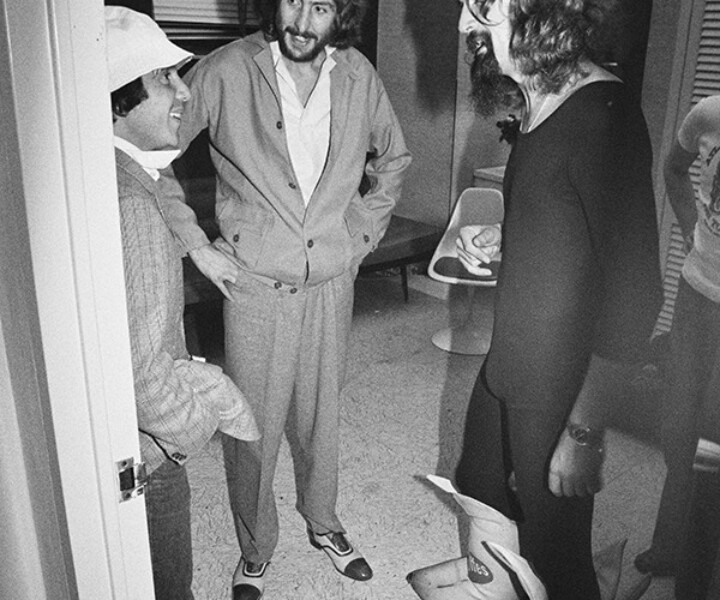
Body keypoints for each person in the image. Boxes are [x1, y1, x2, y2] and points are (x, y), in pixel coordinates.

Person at [157, 0, 411, 597]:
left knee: (322, 415)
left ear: (339, 13)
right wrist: (197, 245)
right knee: (254, 424)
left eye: (319, 7)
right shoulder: (223, 70)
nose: (300, 20)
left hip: (330, 280)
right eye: (292, 0)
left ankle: (323, 522)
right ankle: (255, 545)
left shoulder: (358, 75)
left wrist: (359, 236)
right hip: (254, 284)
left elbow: (393, 159)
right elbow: (149, 150)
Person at [427, 2, 662, 599]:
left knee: (557, 555)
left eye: (481, 5)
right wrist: (509, 237)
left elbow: (637, 294)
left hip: (558, 385)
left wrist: (584, 433)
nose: (463, 25)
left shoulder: (604, 118)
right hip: (511, 358)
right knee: (477, 481)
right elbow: (571, 225)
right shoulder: (538, 101)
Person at [104, 7, 259, 599]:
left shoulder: (116, 172)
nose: (182, 89)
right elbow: (145, 378)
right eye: (165, 77)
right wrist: (190, 433)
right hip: (149, 456)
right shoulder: (134, 212)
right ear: (120, 97)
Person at [634, 95, 720, 588]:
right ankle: (669, 547)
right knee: (681, 429)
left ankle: (700, 568)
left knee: (714, 441)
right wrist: (691, 229)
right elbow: (673, 171)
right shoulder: (708, 114)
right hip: (695, 297)